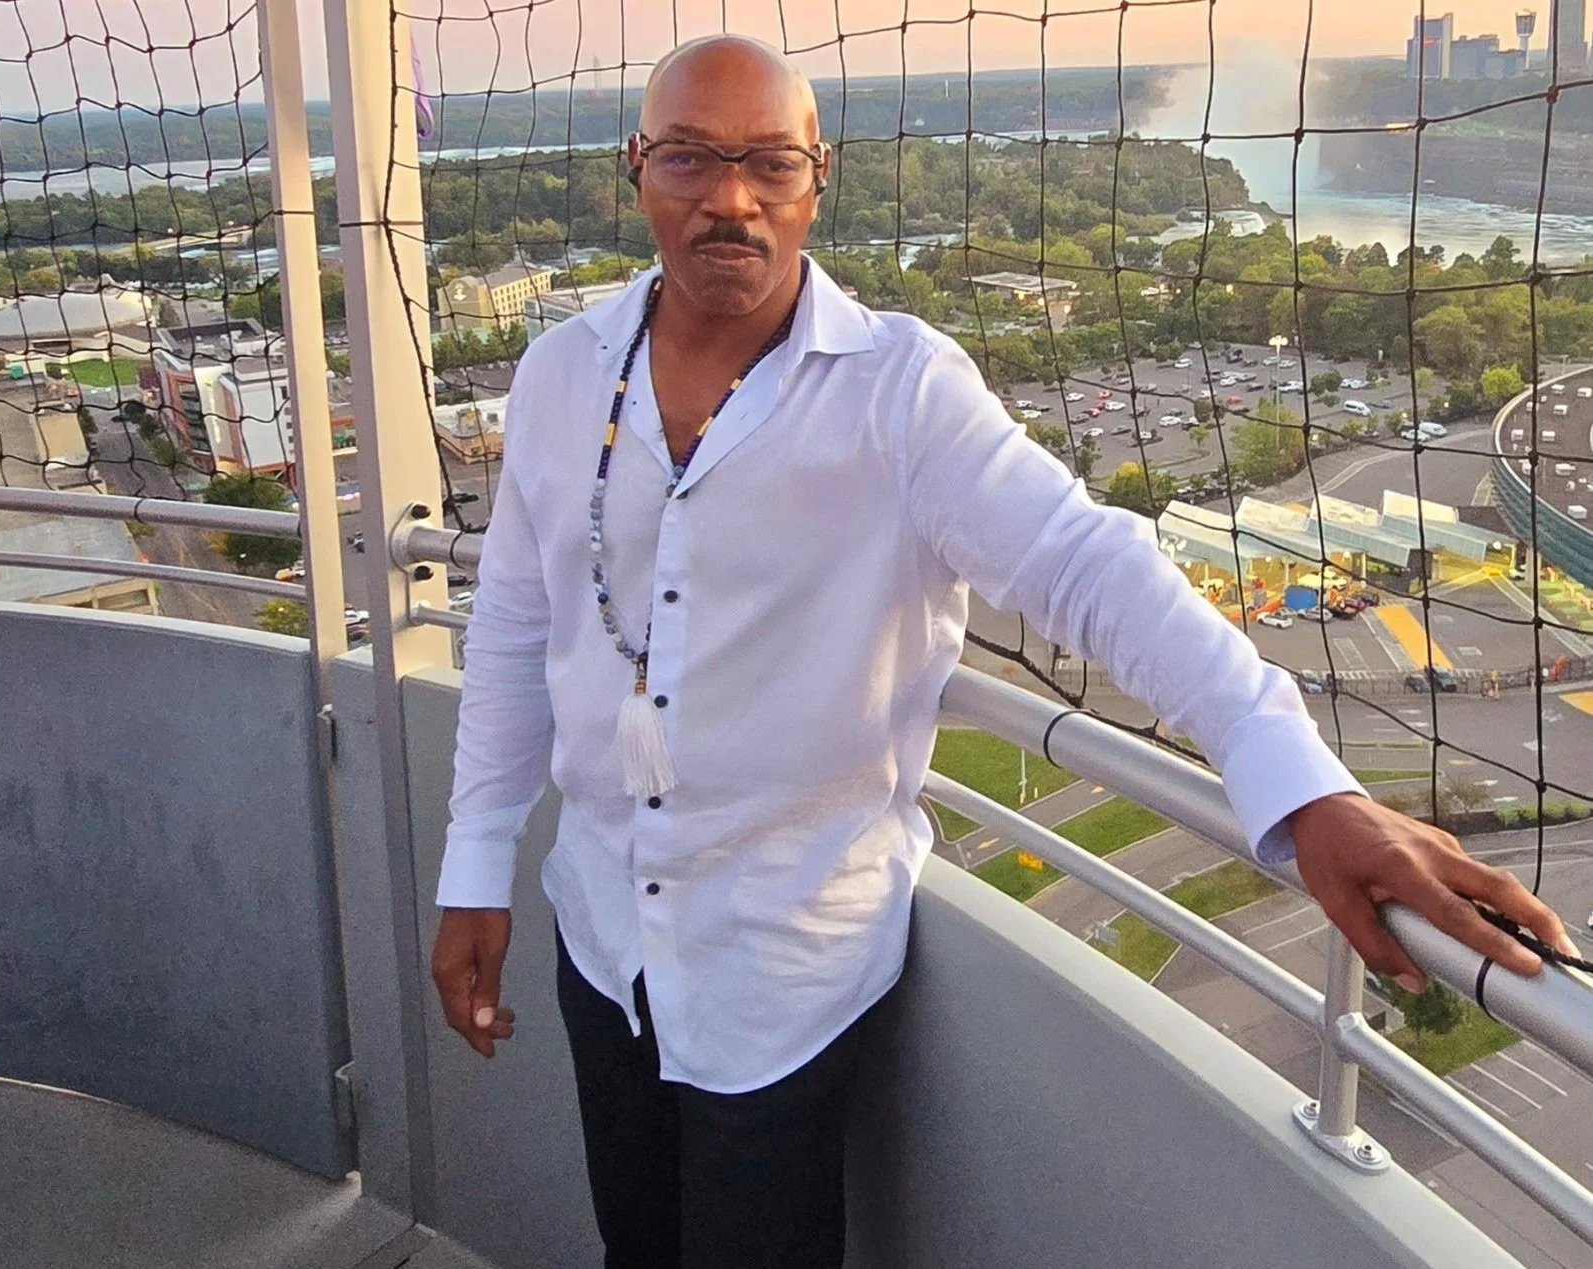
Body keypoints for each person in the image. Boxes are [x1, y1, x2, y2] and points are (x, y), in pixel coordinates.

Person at [431, 34, 1574, 1269]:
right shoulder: (559, 377)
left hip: (783, 967)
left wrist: (1302, 782)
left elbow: (1090, 565)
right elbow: (515, 623)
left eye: (769, 161)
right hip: (598, 935)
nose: (730, 197)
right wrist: (476, 860)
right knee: (635, 1246)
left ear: (820, 179)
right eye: (691, 158)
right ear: (634, 170)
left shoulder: (899, 393)